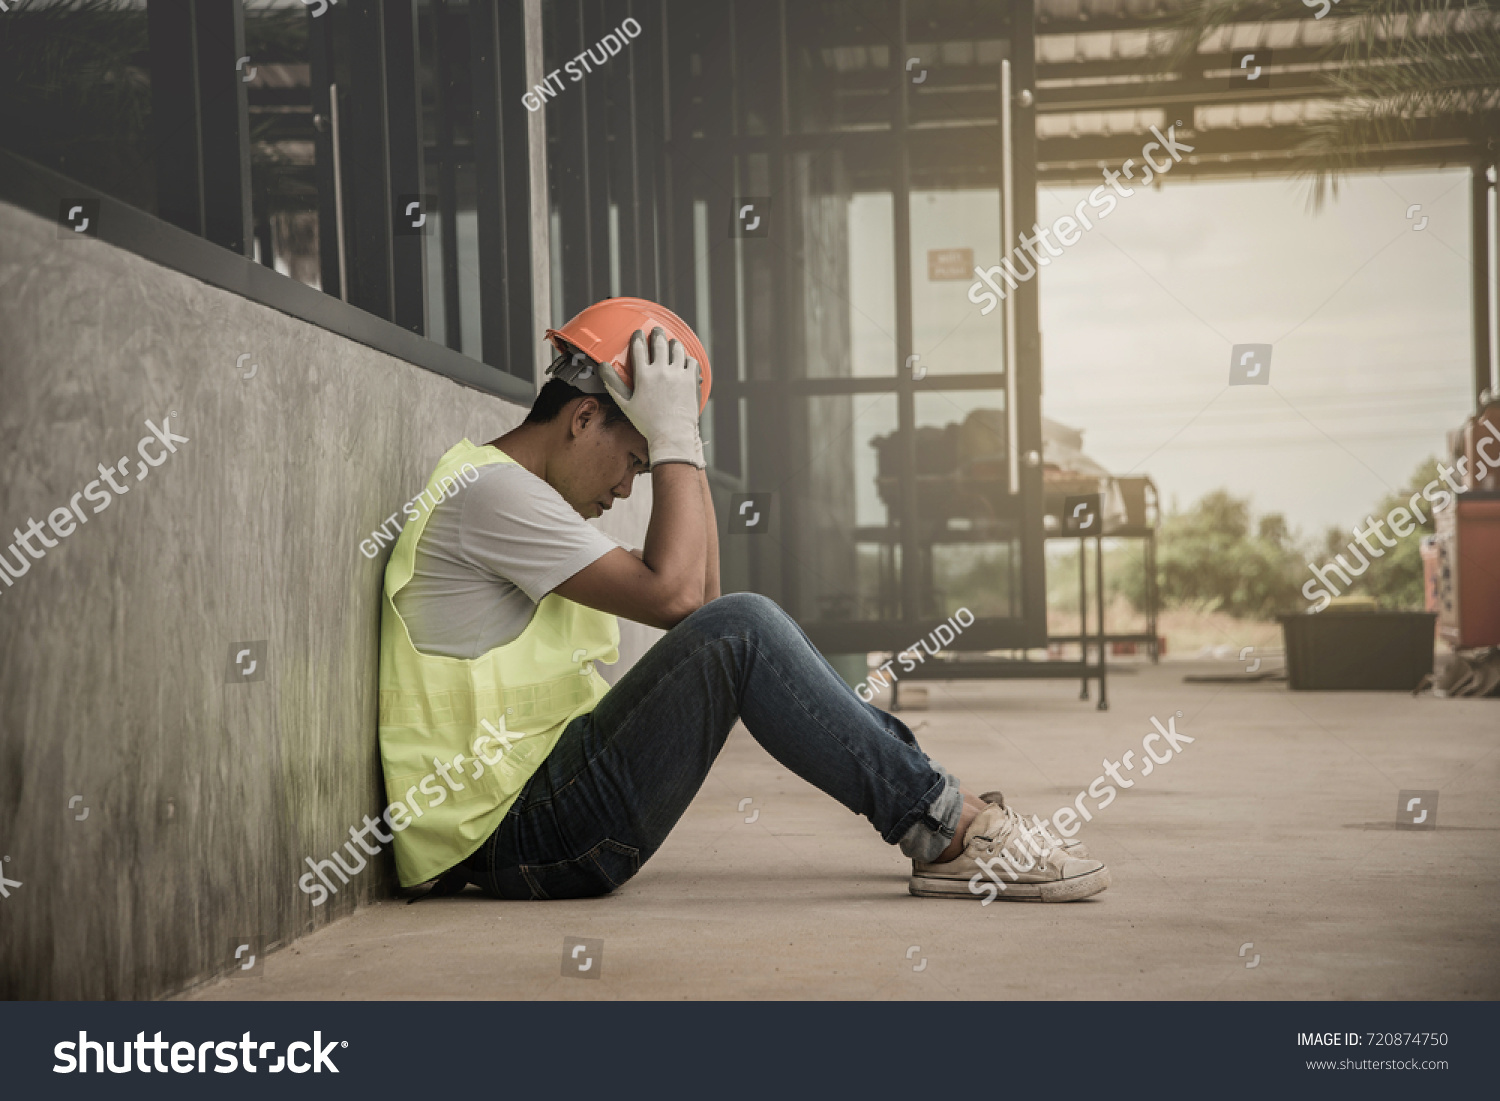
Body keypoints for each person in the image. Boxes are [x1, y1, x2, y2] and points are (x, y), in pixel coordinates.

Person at [377, 297, 1110, 903]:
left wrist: (676, 439)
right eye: (635, 459)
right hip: (521, 829)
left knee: (741, 625)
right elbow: (693, 603)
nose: (630, 486)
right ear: (581, 418)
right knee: (747, 625)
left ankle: (948, 815)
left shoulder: (522, 504)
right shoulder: (491, 494)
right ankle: (947, 828)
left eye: (645, 464)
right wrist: (677, 444)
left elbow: (705, 605)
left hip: (540, 814)